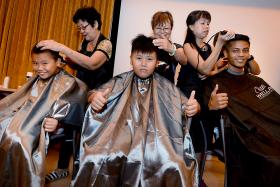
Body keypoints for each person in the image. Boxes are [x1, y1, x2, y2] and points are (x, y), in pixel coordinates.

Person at [72, 34, 200, 187]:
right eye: (139, 58)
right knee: (96, 156)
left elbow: (187, 105)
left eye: (149, 59)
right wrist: (94, 97)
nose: (144, 64)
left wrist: (195, 107)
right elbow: (93, 94)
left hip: (158, 143)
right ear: (131, 58)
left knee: (175, 164)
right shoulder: (120, 81)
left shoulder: (166, 86)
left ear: (157, 62)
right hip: (119, 139)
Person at [37, 7, 114, 182]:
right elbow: (80, 66)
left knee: (88, 136)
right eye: (79, 28)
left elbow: (92, 64)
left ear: (95, 24)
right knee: (69, 127)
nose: (82, 31)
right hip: (81, 94)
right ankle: (63, 168)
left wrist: (62, 47)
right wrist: (67, 60)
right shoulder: (85, 44)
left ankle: (83, 172)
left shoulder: (105, 43)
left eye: (84, 27)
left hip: (97, 96)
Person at [0, 45, 87, 187]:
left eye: (44, 63)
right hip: (26, 117)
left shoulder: (67, 82)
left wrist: (58, 120)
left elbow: (75, 102)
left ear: (58, 62)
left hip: (43, 124)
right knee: (3, 127)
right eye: (35, 63)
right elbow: (22, 100)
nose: (39, 68)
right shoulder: (36, 79)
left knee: (18, 140)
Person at [204, 34, 280, 187]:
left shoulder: (255, 80)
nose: (241, 55)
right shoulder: (215, 83)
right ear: (225, 53)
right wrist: (211, 107)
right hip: (245, 139)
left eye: (245, 50)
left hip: (271, 134)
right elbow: (207, 119)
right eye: (236, 51)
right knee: (275, 161)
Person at [151, 11, 187, 83]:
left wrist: (171, 49)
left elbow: (184, 60)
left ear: (171, 29)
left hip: (167, 91)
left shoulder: (176, 46)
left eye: (166, 28)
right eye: (158, 28)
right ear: (153, 29)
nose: (162, 31)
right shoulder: (146, 45)